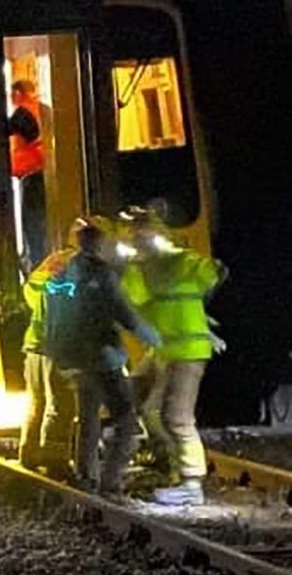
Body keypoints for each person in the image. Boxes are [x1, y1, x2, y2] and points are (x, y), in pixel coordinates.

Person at [43, 221, 160, 495]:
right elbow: (125, 314)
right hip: (102, 358)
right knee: (126, 420)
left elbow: (53, 314)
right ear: (98, 244)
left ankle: (86, 477)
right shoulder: (102, 274)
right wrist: (155, 339)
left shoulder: (63, 273)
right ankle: (111, 481)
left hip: (73, 358)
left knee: (88, 418)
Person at [120, 209, 225, 506]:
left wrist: (204, 325)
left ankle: (191, 483)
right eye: (134, 233)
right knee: (150, 409)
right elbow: (134, 303)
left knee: (176, 417)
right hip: (166, 350)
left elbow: (211, 273)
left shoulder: (179, 261)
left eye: (141, 233)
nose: (138, 238)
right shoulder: (139, 269)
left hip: (187, 351)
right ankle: (171, 467)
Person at [19, 218, 110, 477]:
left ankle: (29, 453)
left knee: (36, 402)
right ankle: (55, 462)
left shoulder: (55, 259)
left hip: (36, 343)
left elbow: (31, 292)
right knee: (62, 406)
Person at [8, 80, 47, 268]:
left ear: (18, 93)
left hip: (31, 175)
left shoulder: (22, 114)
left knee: (31, 226)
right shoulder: (40, 109)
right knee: (40, 223)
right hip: (42, 172)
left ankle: (36, 264)